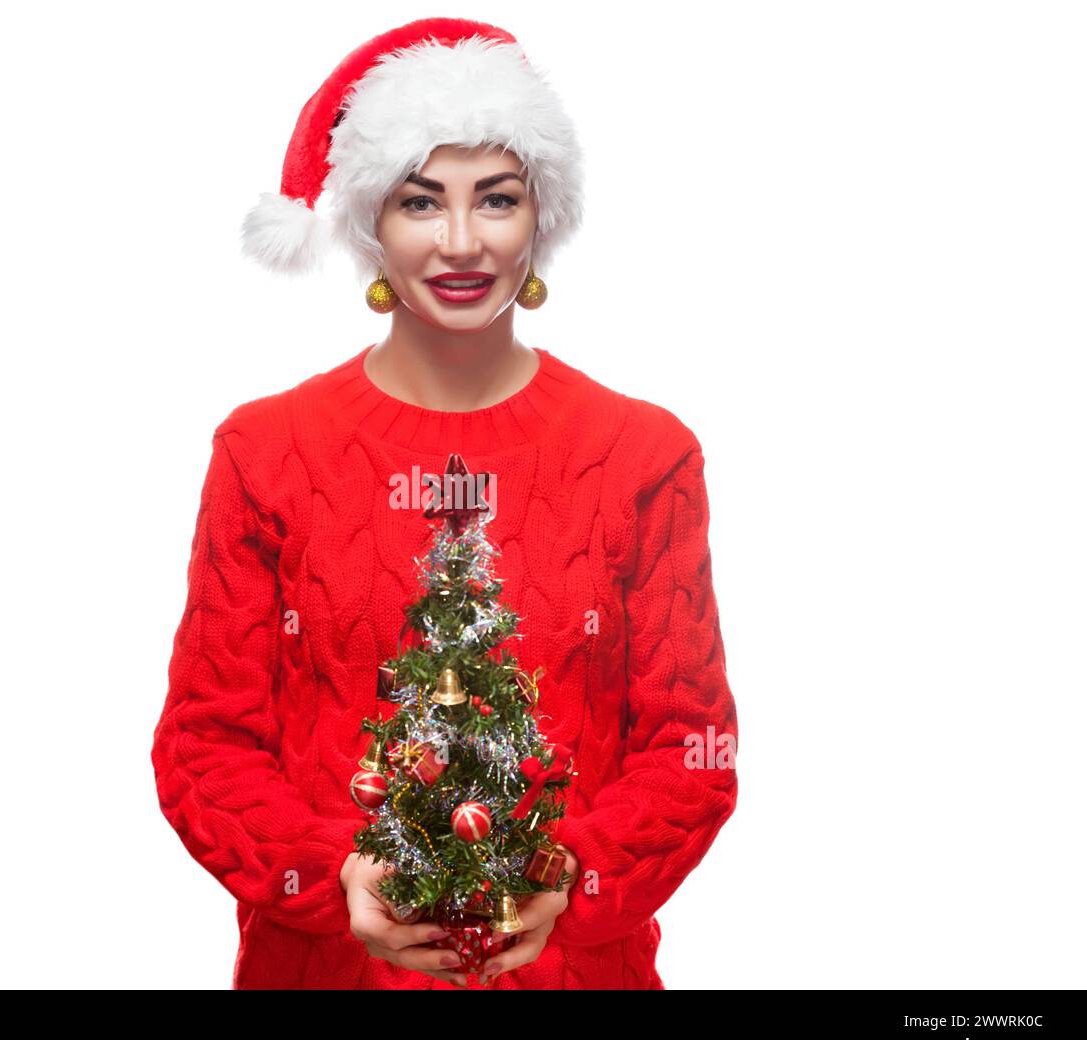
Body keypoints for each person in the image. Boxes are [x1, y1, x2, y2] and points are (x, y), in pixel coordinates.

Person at [150, 17, 739, 990]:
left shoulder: (642, 455)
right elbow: (204, 740)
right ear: (368, 224)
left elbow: (692, 746)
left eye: (495, 199)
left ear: (539, 215)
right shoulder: (264, 452)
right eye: (421, 202)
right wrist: (334, 873)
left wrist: (571, 875)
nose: (461, 241)